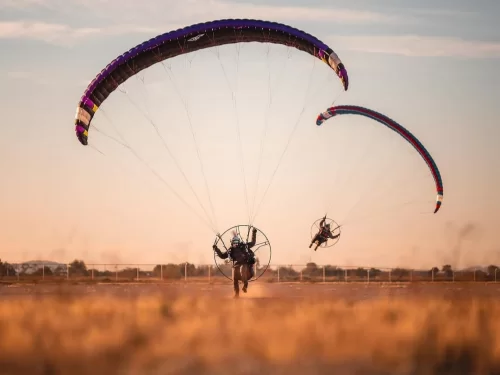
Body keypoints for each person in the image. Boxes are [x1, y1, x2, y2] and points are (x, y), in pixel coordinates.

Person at [213, 227, 257, 296]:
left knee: (243, 268)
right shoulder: (231, 250)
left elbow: (253, 243)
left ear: (239, 242)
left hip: (248, 269)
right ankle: (236, 294)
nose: (235, 244)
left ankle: (245, 286)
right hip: (238, 269)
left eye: (236, 243)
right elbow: (222, 256)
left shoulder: (244, 246)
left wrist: (254, 232)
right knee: (235, 275)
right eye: (234, 243)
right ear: (232, 243)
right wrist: (216, 249)